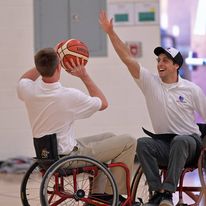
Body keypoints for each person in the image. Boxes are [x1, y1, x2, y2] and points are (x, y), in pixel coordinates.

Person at [99, 10, 206, 206]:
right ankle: (156, 192)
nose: (159, 64)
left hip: (190, 145)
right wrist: (111, 33)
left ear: (176, 66)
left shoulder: (191, 90)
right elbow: (127, 59)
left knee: (181, 140)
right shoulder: (150, 83)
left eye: (165, 60)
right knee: (142, 143)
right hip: (165, 144)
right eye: (158, 60)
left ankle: (168, 192)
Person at [16, 47, 136, 198]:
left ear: (39, 68)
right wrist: (84, 75)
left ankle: (98, 195)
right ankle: (114, 195)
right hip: (67, 157)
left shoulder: (29, 90)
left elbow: (24, 79)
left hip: (48, 155)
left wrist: (45, 62)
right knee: (129, 141)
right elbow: (103, 103)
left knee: (110, 136)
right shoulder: (69, 96)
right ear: (59, 66)